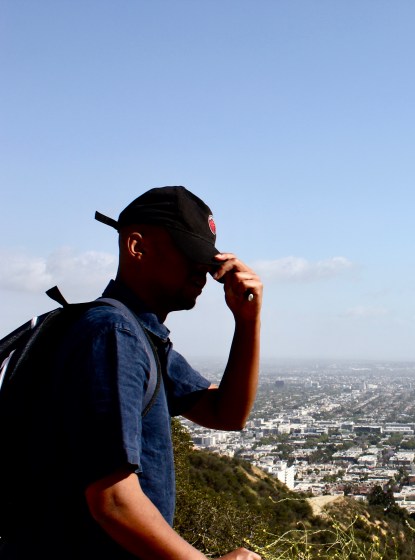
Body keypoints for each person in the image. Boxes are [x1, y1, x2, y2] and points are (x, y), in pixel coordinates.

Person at [0, 186, 263, 559]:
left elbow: (226, 413)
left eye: (208, 263)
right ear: (136, 247)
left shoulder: (138, 335)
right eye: (191, 256)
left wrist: (247, 321)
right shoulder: (113, 333)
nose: (203, 274)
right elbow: (113, 499)